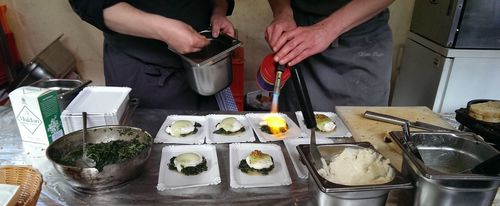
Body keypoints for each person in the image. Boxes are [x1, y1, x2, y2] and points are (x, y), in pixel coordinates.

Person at [69, 0, 235, 110]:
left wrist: (218, 10)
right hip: (146, 70)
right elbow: (89, 3)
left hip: (206, 67)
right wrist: (163, 30)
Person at [265, 0, 394, 112]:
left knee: (359, 131)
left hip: (360, 41)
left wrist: (327, 29)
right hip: (299, 41)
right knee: (295, 128)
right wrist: (282, 12)